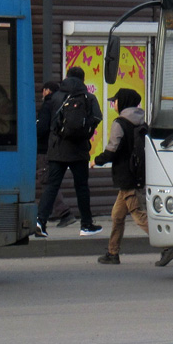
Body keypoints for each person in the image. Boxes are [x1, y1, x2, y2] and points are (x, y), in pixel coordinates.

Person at [92, 88, 173, 267]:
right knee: (117, 215)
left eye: (115, 101)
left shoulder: (120, 123)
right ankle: (112, 252)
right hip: (138, 174)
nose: (113, 104)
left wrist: (97, 161)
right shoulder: (141, 123)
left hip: (126, 176)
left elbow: (112, 149)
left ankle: (168, 245)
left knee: (139, 215)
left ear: (122, 102)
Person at [35, 66, 103, 237]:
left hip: (57, 149)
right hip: (79, 149)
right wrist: (84, 130)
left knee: (52, 186)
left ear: (67, 77)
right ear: (83, 79)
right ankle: (86, 225)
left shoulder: (54, 98)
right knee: (81, 187)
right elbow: (97, 117)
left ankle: (40, 222)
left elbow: (47, 123)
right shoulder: (89, 97)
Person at [35, 80, 75, 228]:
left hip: (44, 149)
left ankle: (64, 213)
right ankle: (45, 213)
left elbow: (42, 128)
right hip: (55, 148)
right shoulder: (61, 105)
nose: (42, 94)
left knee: (47, 182)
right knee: (48, 181)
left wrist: (34, 131)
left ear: (47, 91)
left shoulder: (48, 105)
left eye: (43, 91)